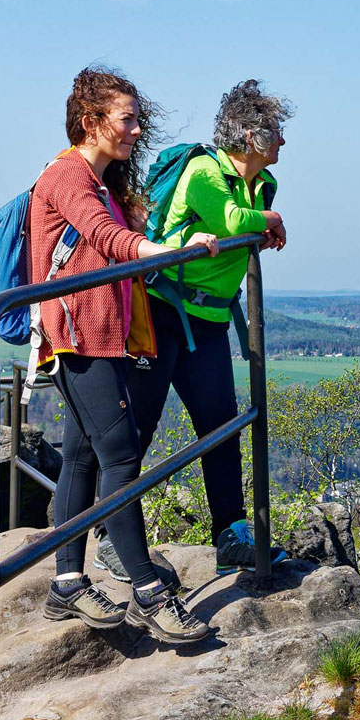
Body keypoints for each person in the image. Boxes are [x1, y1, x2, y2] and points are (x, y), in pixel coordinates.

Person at [33, 66, 218, 645]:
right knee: (121, 456)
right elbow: (107, 239)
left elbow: (127, 230)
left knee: (83, 456)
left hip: (100, 336)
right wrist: (155, 248)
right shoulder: (68, 177)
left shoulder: (105, 184)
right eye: (127, 119)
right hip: (75, 336)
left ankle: (66, 583)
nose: (138, 130)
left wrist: (175, 240)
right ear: (91, 122)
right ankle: (148, 593)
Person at [118, 79, 292, 579]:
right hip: (163, 311)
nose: (283, 142)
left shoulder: (263, 184)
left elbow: (244, 221)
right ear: (251, 136)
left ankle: (231, 534)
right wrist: (271, 219)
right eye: (275, 132)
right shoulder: (204, 170)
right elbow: (237, 221)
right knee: (138, 429)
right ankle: (112, 533)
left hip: (211, 319)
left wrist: (265, 216)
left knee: (222, 426)